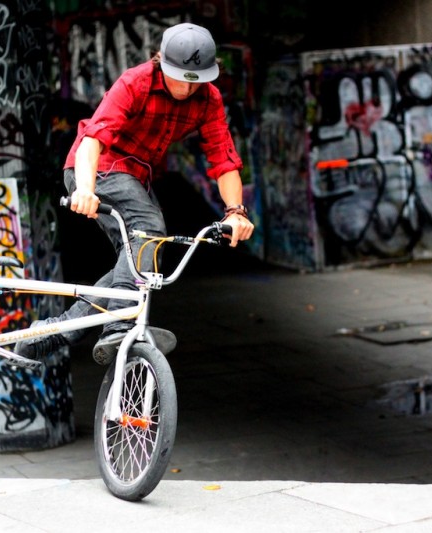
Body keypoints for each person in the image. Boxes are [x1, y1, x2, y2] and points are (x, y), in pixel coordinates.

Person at [15, 22, 255, 364]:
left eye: (196, 81)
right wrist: (85, 189)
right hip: (98, 169)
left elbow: (223, 157)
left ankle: (54, 332)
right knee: (148, 227)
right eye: (180, 80)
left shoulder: (208, 99)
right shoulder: (136, 82)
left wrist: (236, 211)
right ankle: (119, 325)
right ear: (161, 63)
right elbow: (92, 139)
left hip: (136, 176)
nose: (187, 90)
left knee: (142, 253)